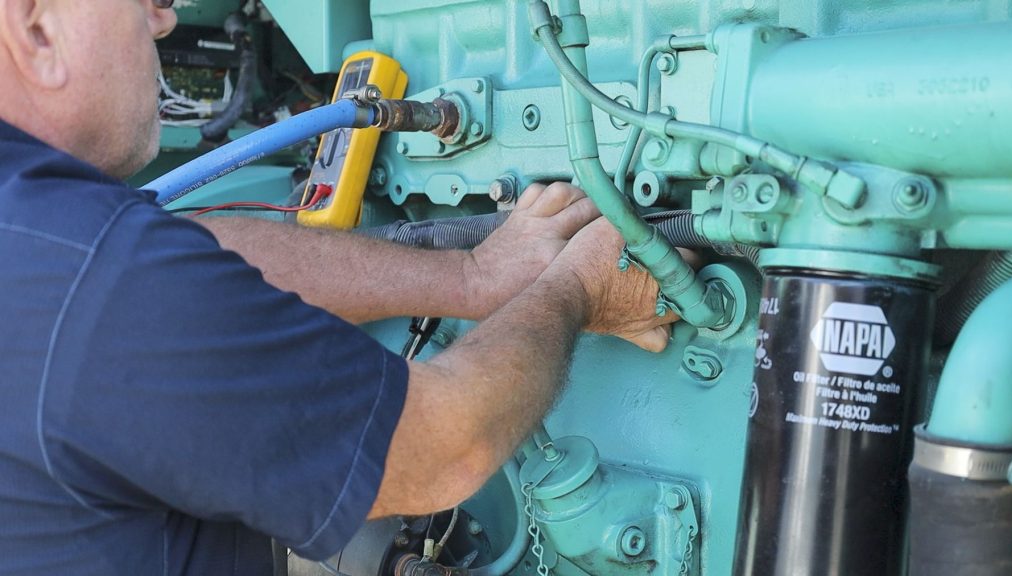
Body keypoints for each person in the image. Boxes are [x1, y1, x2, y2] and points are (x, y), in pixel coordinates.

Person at [0, 1, 683, 574]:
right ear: (35, 30)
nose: (163, 16)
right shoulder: (98, 281)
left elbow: (190, 250)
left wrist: (472, 277)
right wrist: (576, 292)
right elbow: (444, 445)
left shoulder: (49, 239)